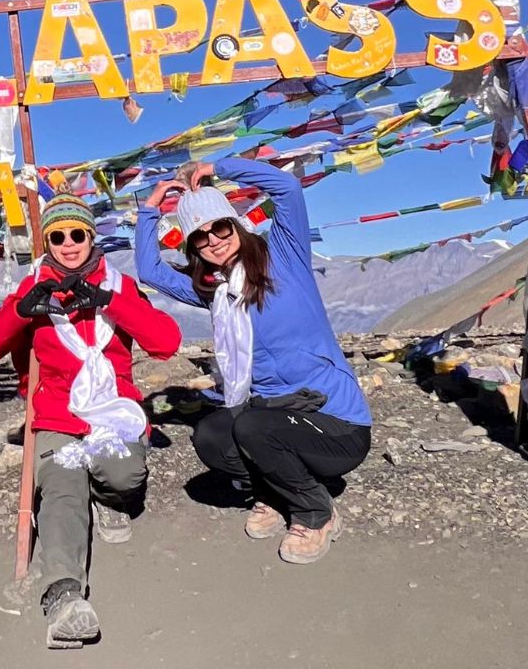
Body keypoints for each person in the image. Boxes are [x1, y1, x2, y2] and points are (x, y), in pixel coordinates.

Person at [135, 158, 372, 565]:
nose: (213, 240)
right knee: (210, 434)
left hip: (335, 421)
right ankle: (274, 491)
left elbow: (287, 189)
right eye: (200, 237)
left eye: (220, 227)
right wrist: (148, 211)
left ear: (235, 223)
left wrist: (217, 166)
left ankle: (316, 513)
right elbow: (149, 269)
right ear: (193, 247)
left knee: (252, 425)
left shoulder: (284, 256)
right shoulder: (213, 292)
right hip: (269, 414)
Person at [0, 184, 180, 649]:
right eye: (58, 237)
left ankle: (109, 499)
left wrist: (108, 302)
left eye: (77, 235)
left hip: (113, 413)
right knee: (63, 488)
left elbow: (166, 342)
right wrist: (20, 310)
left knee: (124, 475)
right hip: (58, 416)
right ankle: (65, 597)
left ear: (92, 239)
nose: (68, 245)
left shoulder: (119, 286)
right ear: (47, 242)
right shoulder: (33, 286)